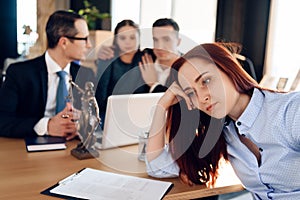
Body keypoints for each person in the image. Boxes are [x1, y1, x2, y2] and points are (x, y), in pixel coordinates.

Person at [146, 42, 300, 199]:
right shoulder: (223, 132)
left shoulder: (291, 111)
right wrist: (161, 107)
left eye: (206, 81)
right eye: (191, 93)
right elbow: (157, 167)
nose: (202, 97)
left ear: (229, 70)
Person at [0, 10, 95, 139]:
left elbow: (99, 115)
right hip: (30, 149)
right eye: (84, 39)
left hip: (72, 149)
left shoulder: (85, 74)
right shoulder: (19, 73)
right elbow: (3, 120)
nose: (89, 45)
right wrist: (46, 126)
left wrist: (83, 124)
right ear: (64, 43)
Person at [97, 18, 182, 94]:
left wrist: (154, 84)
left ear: (178, 41)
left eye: (166, 39)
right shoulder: (147, 57)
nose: (159, 46)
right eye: (155, 40)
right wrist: (102, 51)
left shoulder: (187, 67)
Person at [95, 19, 149, 125]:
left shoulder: (146, 58)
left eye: (132, 37)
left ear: (139, 39)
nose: (128, 42)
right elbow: (100, 98)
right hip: (111, 115)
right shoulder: (107, 59)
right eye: (123, 38)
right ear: (116, 40)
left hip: (140, 115)